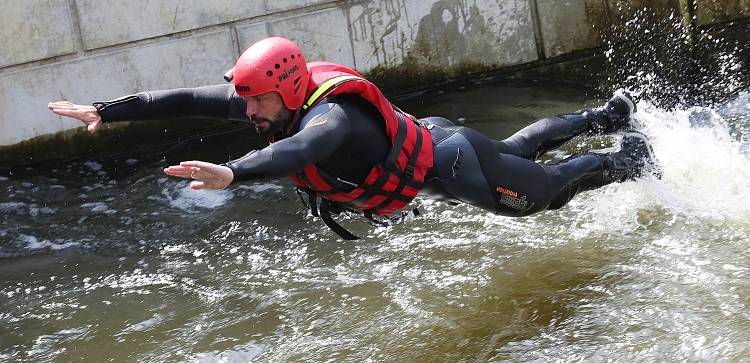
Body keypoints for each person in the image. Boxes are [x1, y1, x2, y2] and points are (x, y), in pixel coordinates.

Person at [48, 37, 659, 239]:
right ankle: (606, 113)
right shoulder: (269, 108)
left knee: (544, 195)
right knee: (520, 150)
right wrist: (106, 110)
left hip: (450, 165)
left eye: (256, 97)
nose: (246, 108)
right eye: (245, 97)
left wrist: (233, 173)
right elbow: (178, 99)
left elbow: (302, 152)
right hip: (439, 141)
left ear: (287, 88)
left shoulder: (329, 117)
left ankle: (621, 152)